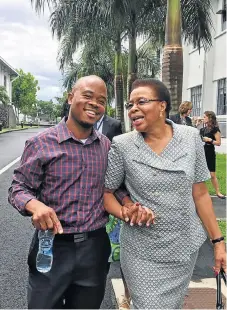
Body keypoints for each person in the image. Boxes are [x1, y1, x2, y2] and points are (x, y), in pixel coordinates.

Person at [8, 75, 151, 309]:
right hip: (51, 246)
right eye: (87, 95)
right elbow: (18, 188)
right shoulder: (42, 143)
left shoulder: (106, 146)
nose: (95, 103)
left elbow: (114, 187)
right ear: (70, 97)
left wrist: (127, 202)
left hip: (93, 247)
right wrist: (35, 205)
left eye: (101, 100)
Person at [103, 78, 226, 309]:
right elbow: (107, 193)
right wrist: (126, 212)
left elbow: (200, 195)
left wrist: (218, 242)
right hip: (142, 249)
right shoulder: (122, 145)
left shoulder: (190, 138)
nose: (133, 109)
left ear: (162, 106)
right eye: (130, 105)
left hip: (183, 247)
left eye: (141, 101)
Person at [200, 111, 225, 199]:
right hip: (201, 152)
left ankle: (218, 192)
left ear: (209, 118)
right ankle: (201, 193)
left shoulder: (215, 129)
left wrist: (209, 140)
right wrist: (196, 125)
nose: (203, 118)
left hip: (209, 152)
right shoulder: (203, 129)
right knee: (199, 174)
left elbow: (218, 143)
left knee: (212, 174)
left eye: (204, 117)